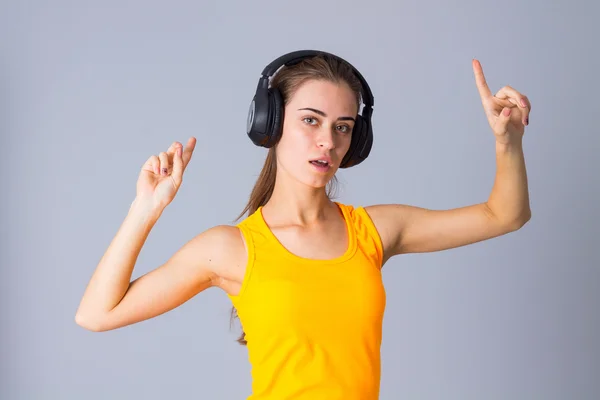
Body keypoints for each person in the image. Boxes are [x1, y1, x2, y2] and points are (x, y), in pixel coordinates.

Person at [75, 50, 532, 399]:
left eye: (343, 127)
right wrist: (145, 209)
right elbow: (97, 314)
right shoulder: (230, 249)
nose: (327, 141)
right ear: (270, 123)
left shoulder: (373, 231)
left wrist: (506, 141)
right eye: (310, 120)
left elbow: (505, 214)